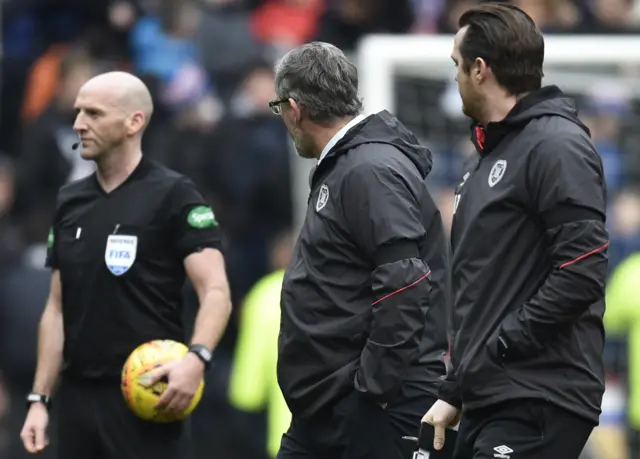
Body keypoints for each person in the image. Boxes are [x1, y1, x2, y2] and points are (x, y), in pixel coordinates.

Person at [422, 4, 609, 459]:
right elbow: (485, 289)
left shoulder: (556, 145)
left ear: (480, 70)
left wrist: (503, 345)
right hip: (492, 391)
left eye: (457, 66)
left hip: (540, 391)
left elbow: (583, 269)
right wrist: (455, 389)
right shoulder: (481, 159)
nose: (456, 77)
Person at [19, 71, 232, 459]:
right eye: (78, 111)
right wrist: (39, 398)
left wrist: (196, 359)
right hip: (77, 403)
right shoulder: (69, 201)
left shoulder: (174, 193)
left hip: (149, 395)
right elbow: (56, 308)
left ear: (135, 121)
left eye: (94, 113)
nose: (79, 123)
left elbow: (216, 291)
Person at [271, 42, 451, 459]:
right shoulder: (351, 166)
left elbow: (406, 283)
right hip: (329, 410)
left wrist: (372, 389)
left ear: (294, 108)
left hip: (370, 410)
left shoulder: (369, 169)